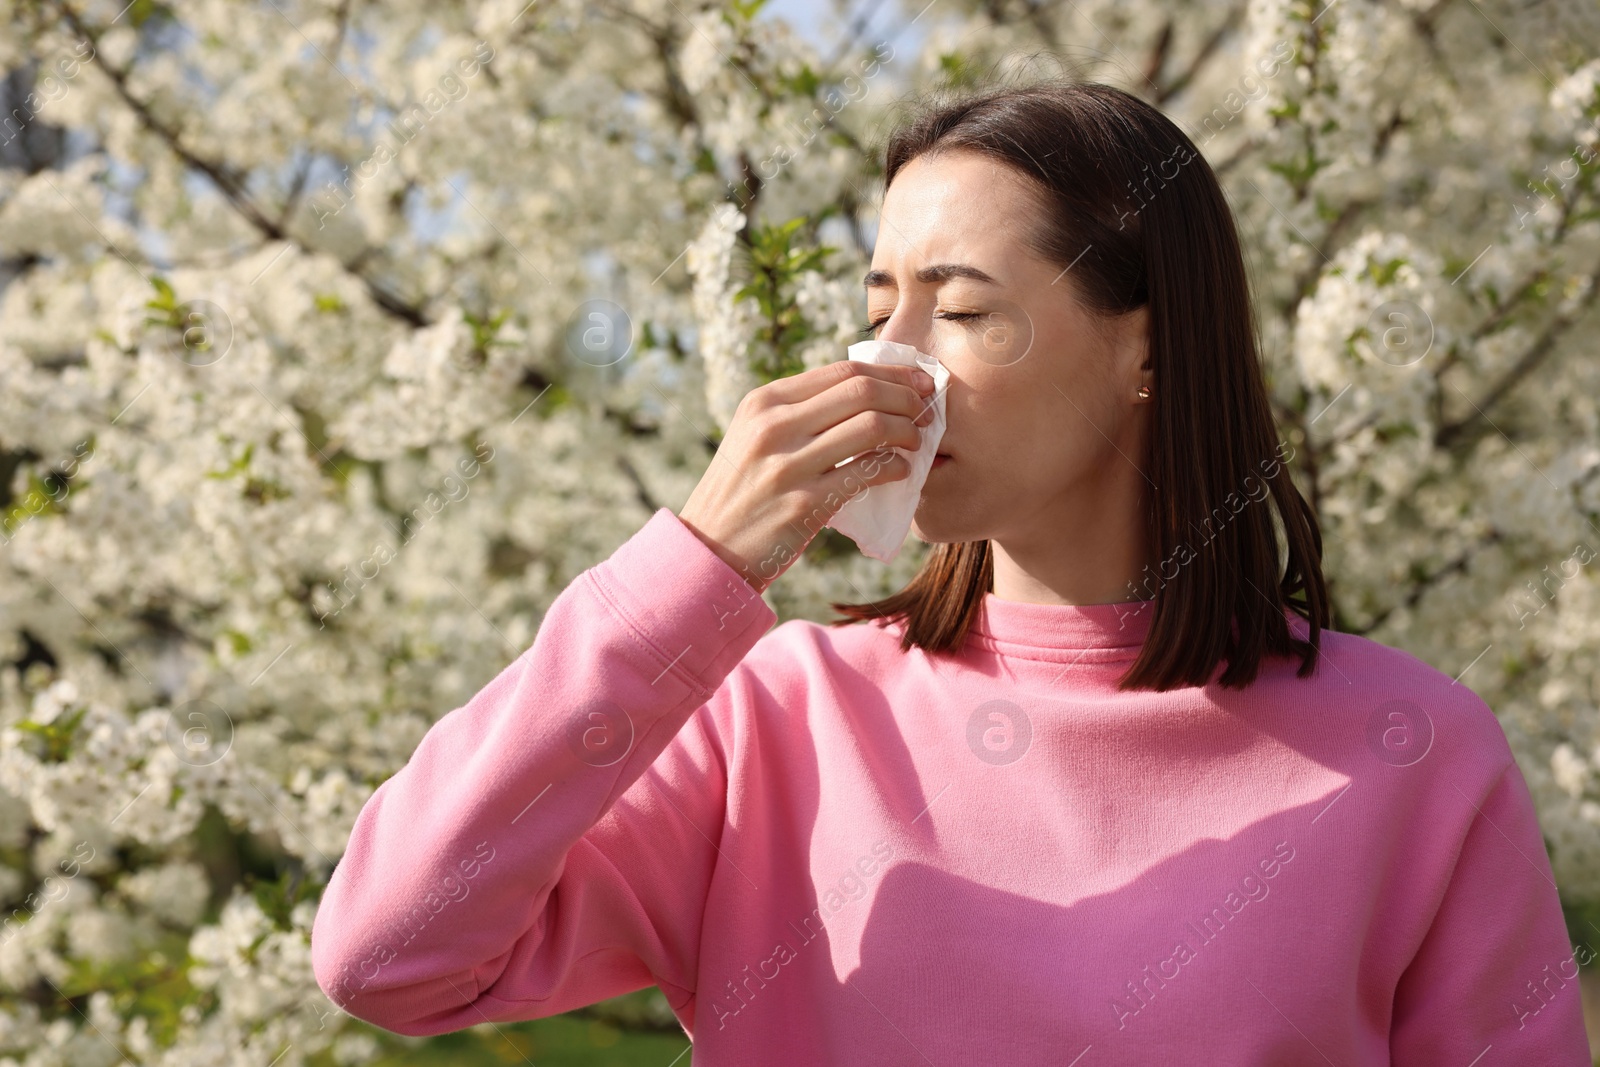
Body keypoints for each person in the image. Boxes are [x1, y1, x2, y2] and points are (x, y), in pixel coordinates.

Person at [310, 82, 1592, 1064]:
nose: (891, 361)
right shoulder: (782, 716)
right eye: (879, 305)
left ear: (1146, 350)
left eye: (964, 311)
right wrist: (691, 569)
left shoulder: (1410, 753)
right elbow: (389, 955)